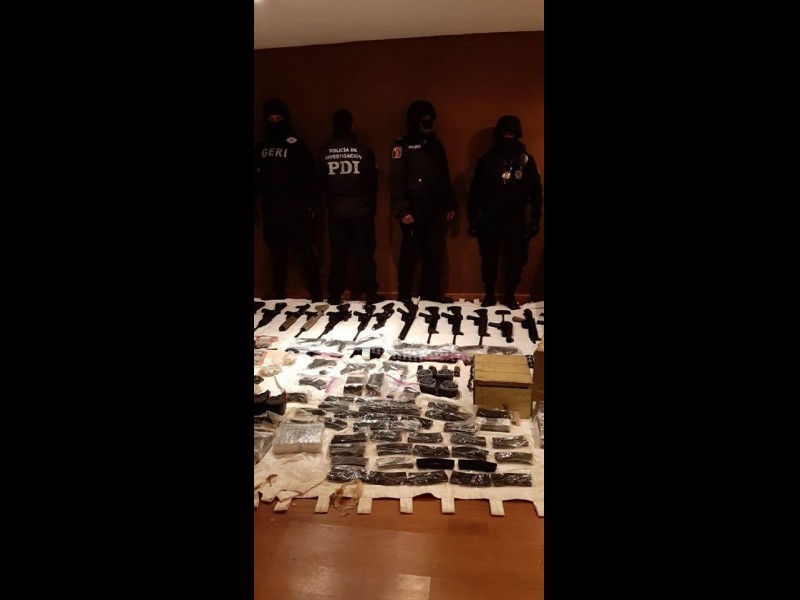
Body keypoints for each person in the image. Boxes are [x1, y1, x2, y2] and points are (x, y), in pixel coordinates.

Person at [467, 115, 543, 309]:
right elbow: (474, 193)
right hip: (490, 216)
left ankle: (510, 295)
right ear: (498, 134)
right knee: (488, 258)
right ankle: (489, 294)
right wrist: (473, 219)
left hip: (515, 217)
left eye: (511, 134)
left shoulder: (526, 161)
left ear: (517, 135)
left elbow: (536, 191)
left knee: (515, 259)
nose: (508, 137)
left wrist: (536, 218)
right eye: (504, 133)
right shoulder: (486, 161)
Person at [254, 99, 322, 301]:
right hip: (272, 208)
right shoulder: (262, 146)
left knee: (305, 251)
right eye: (271, 119)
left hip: (296, 208)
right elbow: (256, 178)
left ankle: (316, 294)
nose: (275, 122)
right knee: (276, 252)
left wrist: (310, 205)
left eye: (278, 118)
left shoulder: (296, 145)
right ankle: (278, 292)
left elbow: (309, 177)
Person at [389, 100, 456, 304]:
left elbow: (444, 175)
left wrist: (450, 203)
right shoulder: (402, 145)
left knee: (434, 253)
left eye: (430, 119)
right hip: (413, 208)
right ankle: (404, 294)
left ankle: (431, 293)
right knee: (410, 253)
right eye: (424, 120)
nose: (428, 123)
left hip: (435, 208)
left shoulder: (435, 144)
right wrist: (403, 210)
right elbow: (396, 179)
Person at [319, 109, 384, 305]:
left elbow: (320, 183)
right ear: (351, 125)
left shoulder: (325, 152)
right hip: (361, 209)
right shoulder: (363, 151)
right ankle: (370, 293)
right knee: (365, 253)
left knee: (338, 254)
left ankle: (335, 295)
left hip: (336, 209)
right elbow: (372, 182)